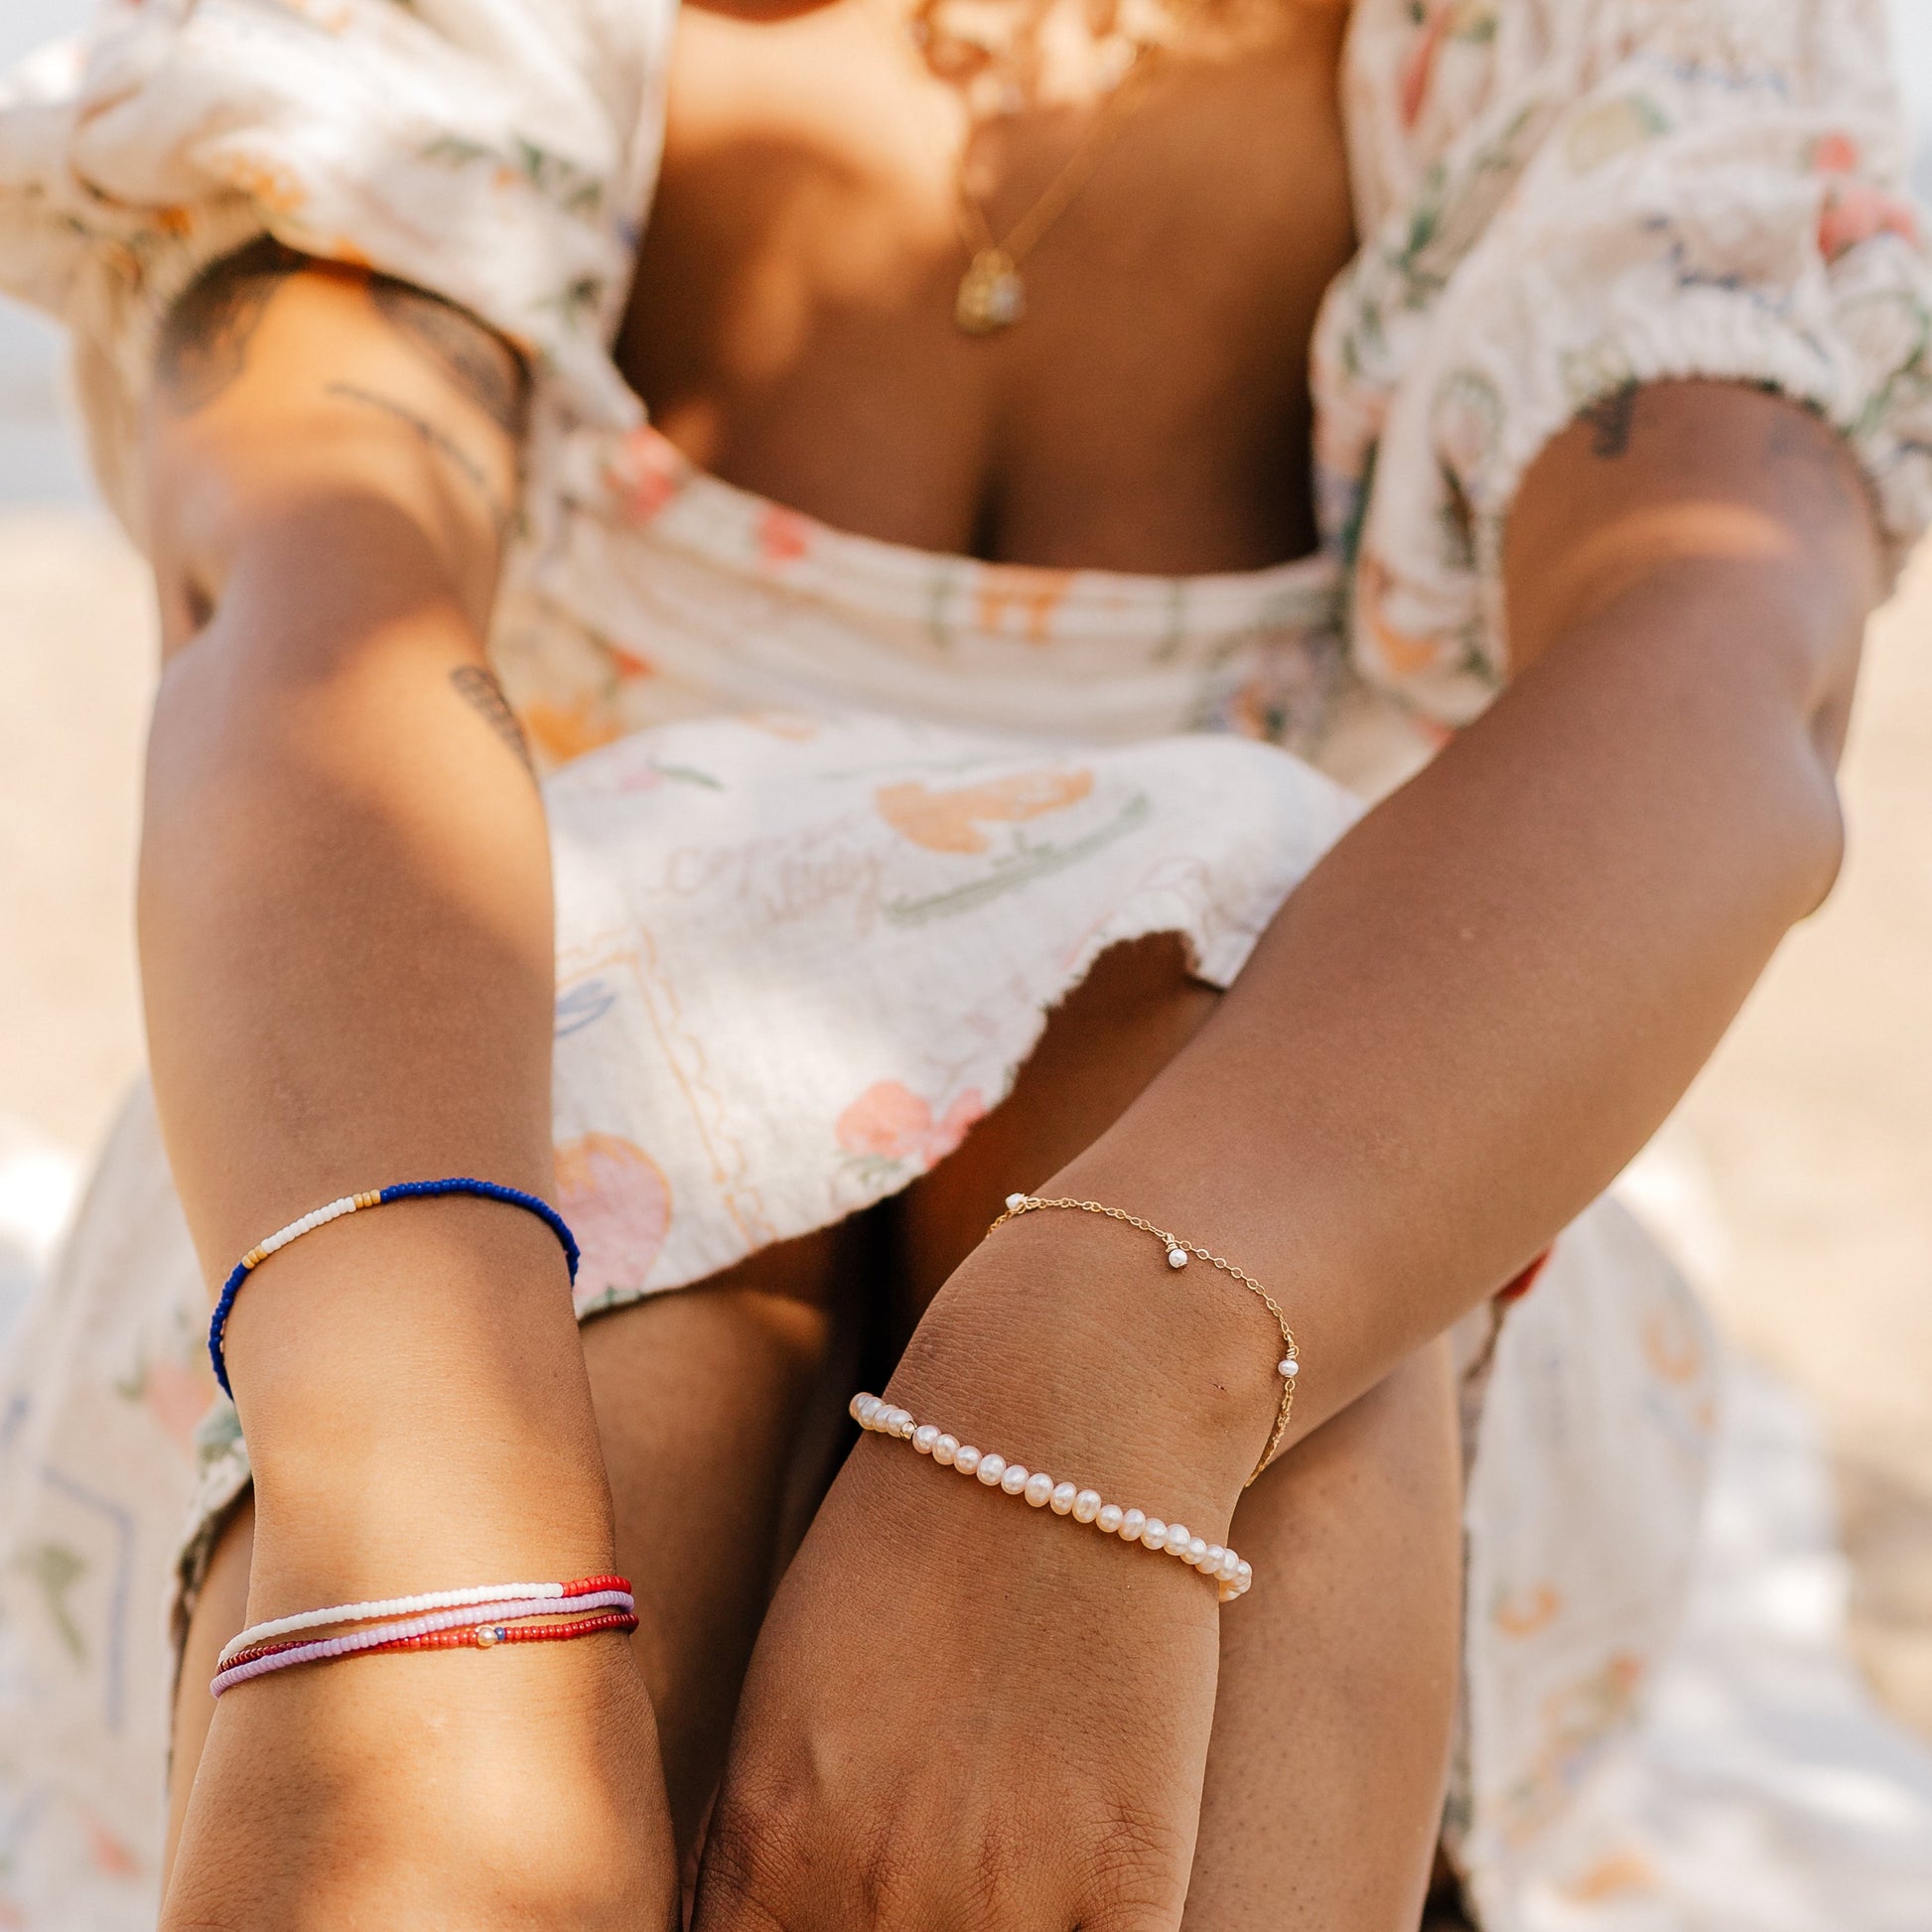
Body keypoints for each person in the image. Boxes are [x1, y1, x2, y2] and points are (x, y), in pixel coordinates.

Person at [1, 0, 1929, 1925]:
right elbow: (322, 620)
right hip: (441, 1163)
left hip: (1312, 1210)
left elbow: (1711, 659)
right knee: (617, 1195)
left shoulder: (1603, 47)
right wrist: (420, 1509)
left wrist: (1090, 1391)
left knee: (1233, 979)